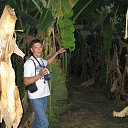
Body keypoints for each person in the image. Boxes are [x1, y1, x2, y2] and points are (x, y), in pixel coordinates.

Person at [23, 39, 65, 128]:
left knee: (38, 121)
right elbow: (26, 82)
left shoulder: (41, 60)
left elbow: (48, 61)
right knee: (45, 123)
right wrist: (40, 75)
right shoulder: (29, 63)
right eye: (36, 47)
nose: (38, 49)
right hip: (36, 96)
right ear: (32, 50)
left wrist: (57, 52)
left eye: (40, 47)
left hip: (44, 94)